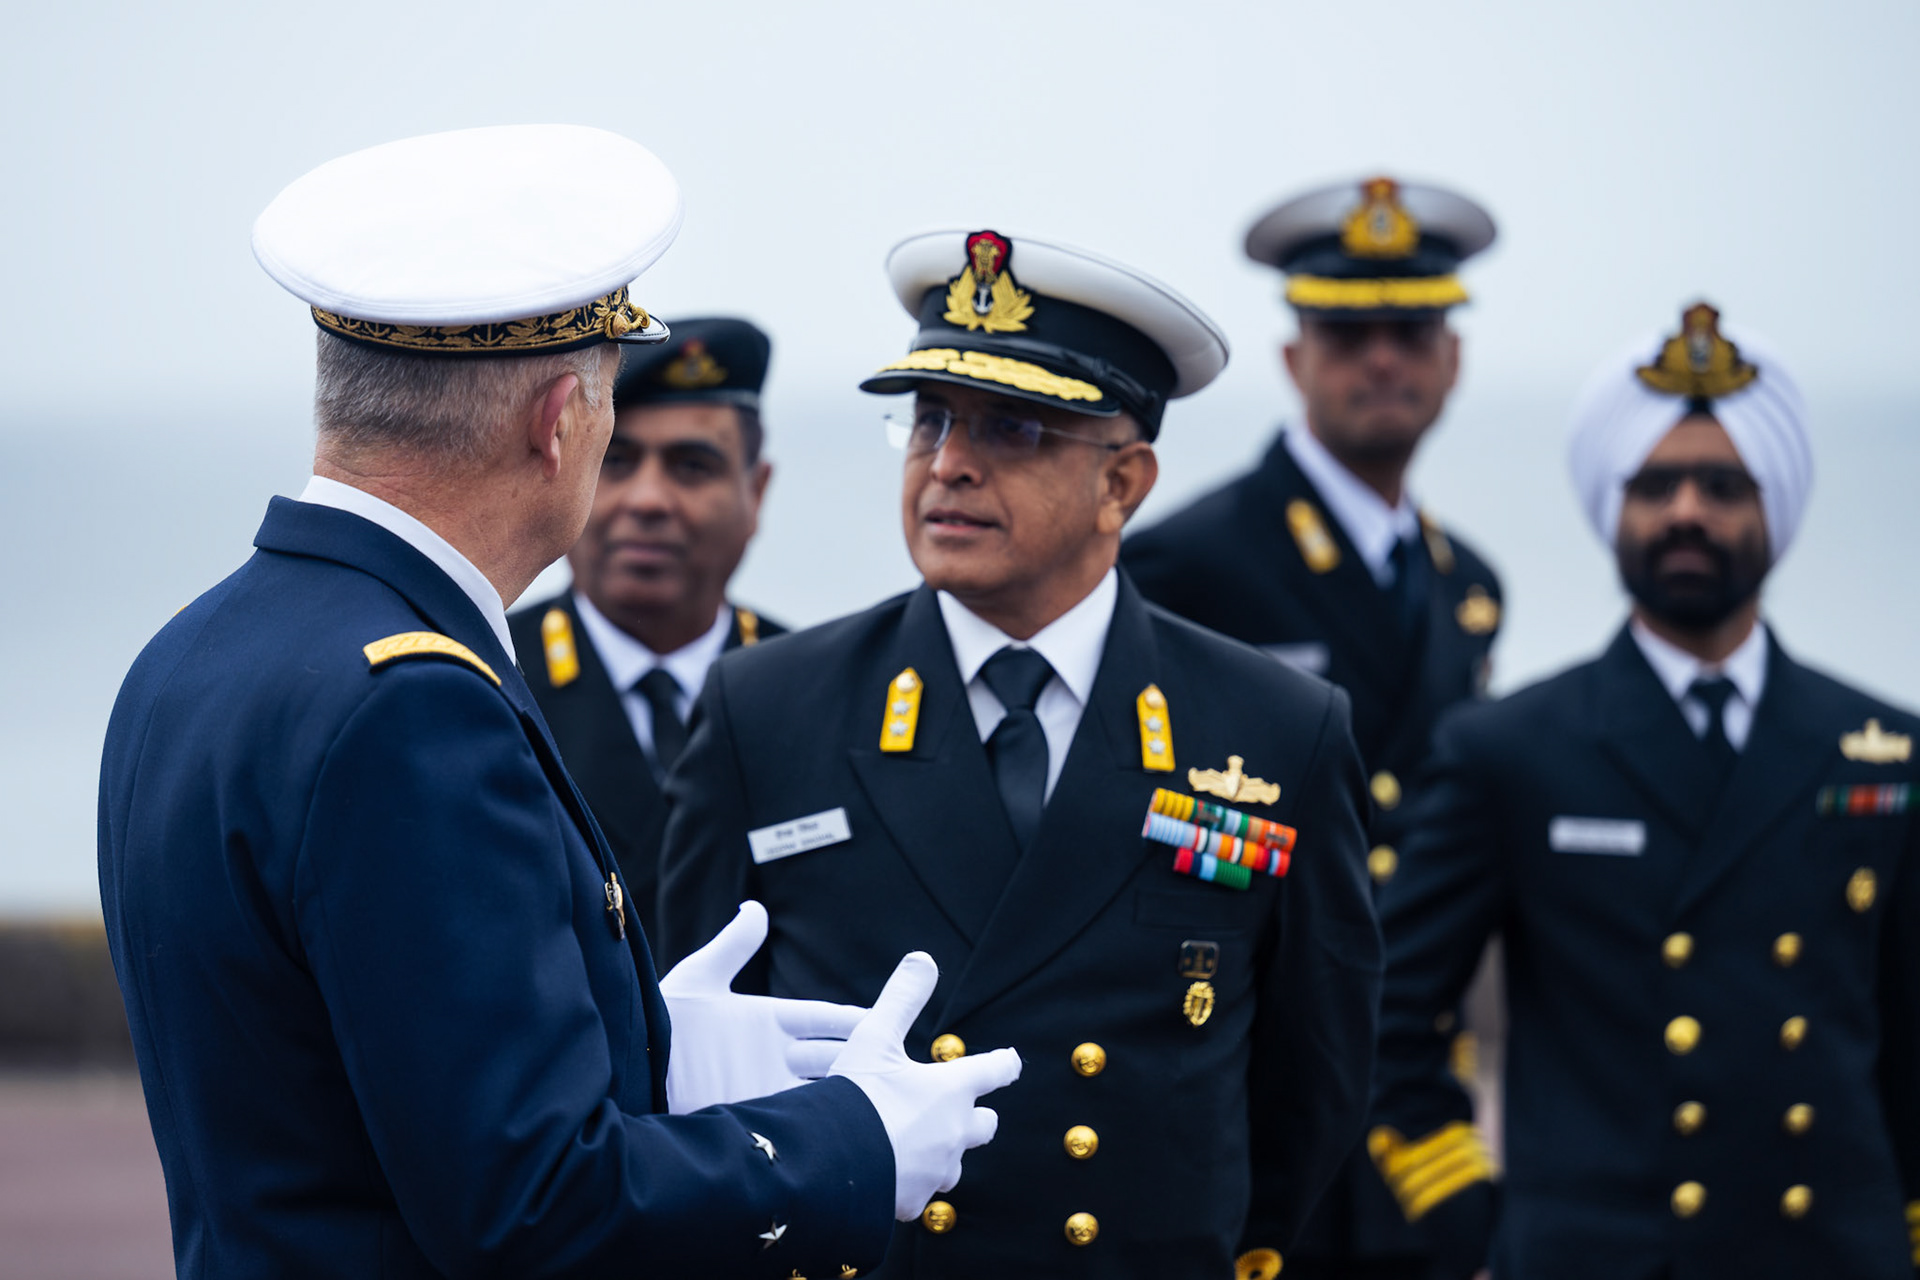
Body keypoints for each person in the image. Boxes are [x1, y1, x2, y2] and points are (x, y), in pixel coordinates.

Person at [96, 125, 1020, 1280]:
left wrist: (647, 1041)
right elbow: (534, 1207)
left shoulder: (191, 653)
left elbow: (354, 1078)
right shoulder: (414, 708)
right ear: (558, 420)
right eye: (611, 406)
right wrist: (851, 1144)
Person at [658, 227, 1381, 1278]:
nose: (949, 462)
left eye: (1014, 430)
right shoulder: (767, 708)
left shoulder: (1276, 727)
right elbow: (698, 1052)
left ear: (1123, 483)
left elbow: (1312, 1082)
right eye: (931, 419)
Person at [1369, 302, 1920, 1279]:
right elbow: (1389, 1021)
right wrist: (1475, 1225)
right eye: (1655, 484)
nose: (1687, 512)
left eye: (1724, 485)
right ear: (1613, 507)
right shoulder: (1510, 749)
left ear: (1777, 508)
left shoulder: (1880, 750)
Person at [1121, 173, 1504, 1279]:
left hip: (1413, 1080)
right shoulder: (1188, 563)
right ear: (1294, 359)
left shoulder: (1469, 588)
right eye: (1346, 334)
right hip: (1258, 1069)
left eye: (1411, 332)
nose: (1382, 360)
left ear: (1452, 359)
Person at [511, 317, 783, 945]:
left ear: (757, 491)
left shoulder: (816, 691)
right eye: (615, 461)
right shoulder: (488, 675)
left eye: (692, 466)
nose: (649, 500)